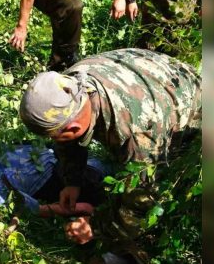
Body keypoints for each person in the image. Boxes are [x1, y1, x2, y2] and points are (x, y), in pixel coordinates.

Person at [19, 48, 201, 245]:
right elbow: (69, 140)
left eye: (55, 135)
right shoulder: (70, 86)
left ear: (72, 127)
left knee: (171, 183)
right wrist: (73, 181)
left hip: (194, 104)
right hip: (152, 77)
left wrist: (95, 227)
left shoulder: (139, 138)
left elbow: (141, 202)